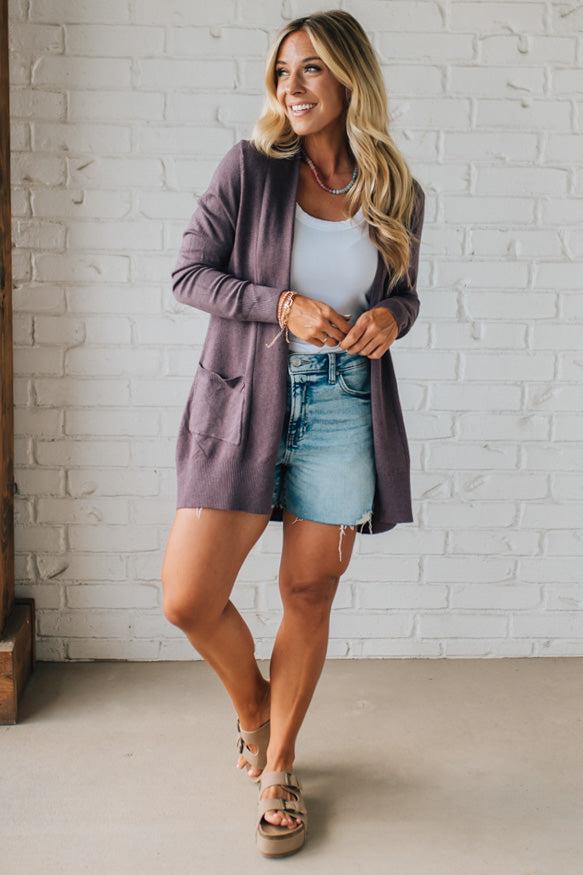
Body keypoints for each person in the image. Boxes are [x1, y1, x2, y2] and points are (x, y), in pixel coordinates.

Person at [161, 9, 426, 858]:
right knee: (188, 598)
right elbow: (189, 273)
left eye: (310, 68)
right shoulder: (250, 168)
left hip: (344, 403)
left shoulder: (396, 189)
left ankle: (278, 767)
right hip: (245, 399)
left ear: (349, 77)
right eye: (282, 70)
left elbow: (404, 294)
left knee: (308, 593)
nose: (292, 85)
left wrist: (390, 316)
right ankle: (255, 707)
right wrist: (278, 304)